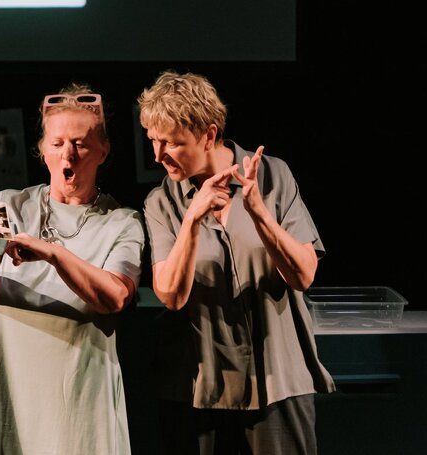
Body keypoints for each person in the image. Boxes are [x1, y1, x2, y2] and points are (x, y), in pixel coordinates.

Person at [137, 70, 336, 455]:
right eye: (153, 141)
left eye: (173, 143)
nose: (158, 155)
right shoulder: (162, 201)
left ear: (209, 135)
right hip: (200, 386)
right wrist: (192, 218)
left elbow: (304, 274)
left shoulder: (274, 176)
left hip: (277, 381)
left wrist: (260, 213)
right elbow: (170, 295)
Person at [0, 83, 145, 455]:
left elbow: (115, 297)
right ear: (43, 151)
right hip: (6, 385)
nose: (68, 155)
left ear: (102, 151)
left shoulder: (122, 222)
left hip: (76, 396)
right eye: (57, 144)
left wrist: (52, 253)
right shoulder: (8, 205)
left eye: (80, 144)